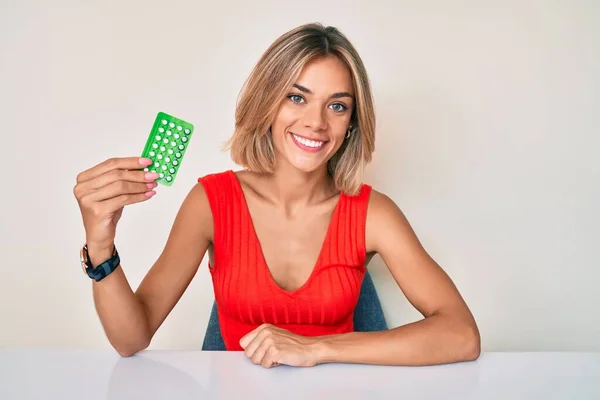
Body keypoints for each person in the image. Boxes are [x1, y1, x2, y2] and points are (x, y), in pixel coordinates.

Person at [73, 22, 480, 369]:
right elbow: (132, 337)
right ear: (268, 102)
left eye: (337, 106)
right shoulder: (210, 203)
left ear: (352, 123)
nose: (316, 122)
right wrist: (100, 242)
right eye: (297, 97)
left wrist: (316, 348)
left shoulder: (374, 213)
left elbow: (461, 334)